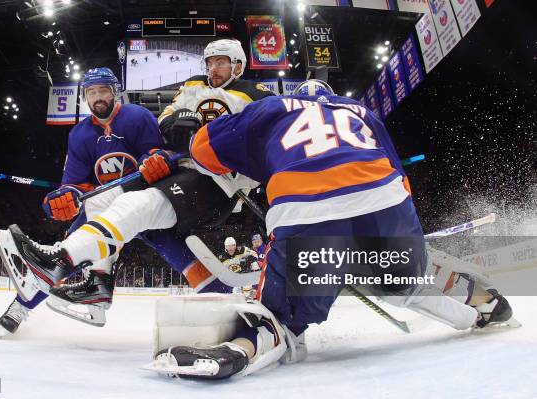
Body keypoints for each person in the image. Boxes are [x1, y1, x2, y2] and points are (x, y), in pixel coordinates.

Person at [145, 79, 516, 379]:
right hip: (385, 199)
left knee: (282, 318)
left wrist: (191, 136)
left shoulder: (273, 107)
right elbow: (399, 175)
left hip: (308, 207)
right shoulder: (360, 110)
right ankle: (486, 303)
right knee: (403, 283)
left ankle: (244, 348)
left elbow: (206, 148)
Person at [0, 39, 274, 331]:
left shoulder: (138, 117)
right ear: (85, 97)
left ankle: (222, 300)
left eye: (103, 90)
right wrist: (67, 195)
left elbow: (157, 149)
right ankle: (27, 306)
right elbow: (78, 183)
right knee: (80, 237)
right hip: (111, 200)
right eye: (91, 92)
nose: (98, 97)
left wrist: (156, 159)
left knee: (174, 253)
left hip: (154, 188)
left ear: (115, 93)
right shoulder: (80, 135)